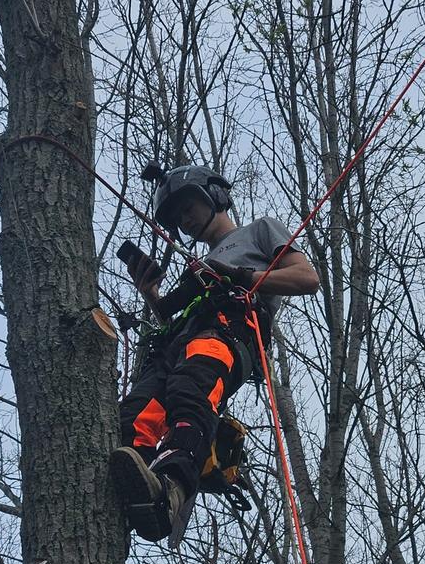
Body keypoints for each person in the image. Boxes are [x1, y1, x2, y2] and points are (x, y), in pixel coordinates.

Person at [109, 165, 320, 541]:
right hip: (179, 341)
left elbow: (307, 278)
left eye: (188, 207)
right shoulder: (199, 265)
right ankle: (138, 480)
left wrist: (243, 277)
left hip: (227, 331)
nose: (184, 221)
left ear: (215, 196)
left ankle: (172, 487)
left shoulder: (258, 231)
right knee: (136, 413)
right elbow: (174, 312)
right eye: (176, 218)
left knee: (190, 393)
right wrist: (152, 294)